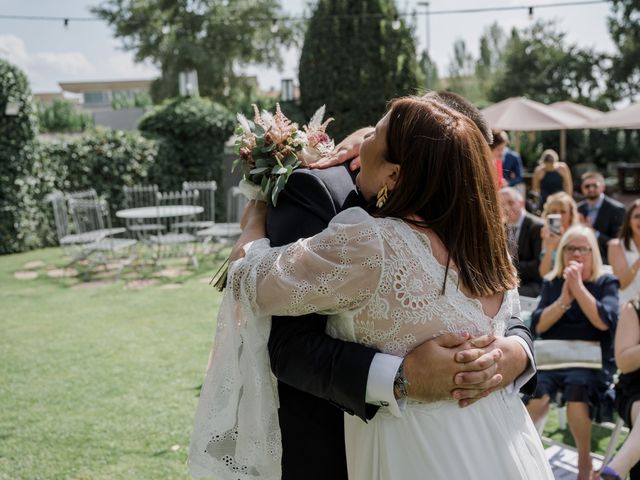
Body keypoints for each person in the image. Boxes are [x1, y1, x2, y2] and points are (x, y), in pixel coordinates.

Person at [189, 96, 551, 480]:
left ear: (395, 175)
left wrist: (257, 212)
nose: (360, 143)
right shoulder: (488, 244)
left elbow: (251, 279)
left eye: (374, 132)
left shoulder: (370, 241)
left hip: (417, 453)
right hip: (500, 446)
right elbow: (291, 346)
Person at [525, 225, 619, 480]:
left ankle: (584, 462)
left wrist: (578, 288)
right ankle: (524, 455)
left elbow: (605, 321)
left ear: (593, 253)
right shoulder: (552, 282)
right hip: (554, 360)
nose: (576, 254)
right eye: (570, 248)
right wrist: (564, 300)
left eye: (583, 249)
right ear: (562, 253)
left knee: (578, 387)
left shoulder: (606, 281)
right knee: (537, 390)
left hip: (592, 363)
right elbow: (538, 325)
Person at [597, 301, 640, 480]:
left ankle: (618, 467)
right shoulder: (634, 308)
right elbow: (623, 362)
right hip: (636, 388)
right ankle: (619, 467)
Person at [499, 186, 544, 297]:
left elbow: (539, 265)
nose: (507, 208)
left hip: (531, 283)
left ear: (522, 203)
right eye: (502, 204)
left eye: (511, 203)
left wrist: (507, 267)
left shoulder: (538, 227)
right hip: (506, 281)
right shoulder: (499, 228)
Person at [577, 171, 626, 264]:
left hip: (606, 260)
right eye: (587, 186)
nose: (591, 189)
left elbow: (619, 243)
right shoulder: (577, 209)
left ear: (603, 187)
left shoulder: (617, 209)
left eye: (595, 185)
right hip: (581, 260)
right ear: (582, 188)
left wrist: (594, 233)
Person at [539, 191, 580, 277]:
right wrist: (550, 246)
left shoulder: (579, 235)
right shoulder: (547, 235)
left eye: (563, 211)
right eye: (554, 212)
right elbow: (544, 274)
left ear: (571, 214)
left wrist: (562, 243)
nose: (559, 215)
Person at [608, 199, 640, 306]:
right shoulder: (616, 246)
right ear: (629, 221)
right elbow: (621, 283)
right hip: (626, 309)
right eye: (637, 216)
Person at [501, 132, 526, 197]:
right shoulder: (489, 154)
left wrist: (508, 183)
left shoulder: (514, 156)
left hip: (509, 190)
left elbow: (520, 177)